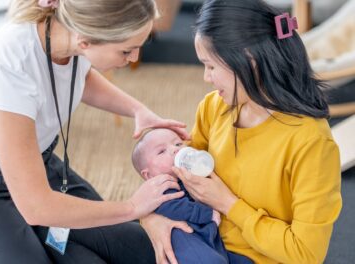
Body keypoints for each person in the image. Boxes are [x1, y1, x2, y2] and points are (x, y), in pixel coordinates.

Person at [0, 0, 190, 263]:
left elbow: (81, 77)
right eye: (126, 51)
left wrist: (137, 110)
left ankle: (15, 233)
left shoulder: (67, 37)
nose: (134, 58)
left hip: (35, 167)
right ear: (85, 40)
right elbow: (37, 206)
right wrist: (132, 207)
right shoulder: (10, 63)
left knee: (137, 250)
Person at [140, 0, 343, 263]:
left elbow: (305, 253)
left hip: (258, 257)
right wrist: (151, 218)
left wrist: (228, 204)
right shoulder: (214, 107)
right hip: (201, 239)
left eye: (211, 66)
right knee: (96, 238)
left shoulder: (311, 142)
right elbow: (178, 180)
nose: (206, 77)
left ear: (250, 60)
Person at [132, 128, 253, 264]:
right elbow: (173, 206)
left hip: (210, 240)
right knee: (212, 261)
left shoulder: (189, 177)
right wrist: (206, 213)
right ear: (148, 175)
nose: (175, 150)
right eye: (161, 151)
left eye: (178, 144)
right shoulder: (160, 188)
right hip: (185, 242)